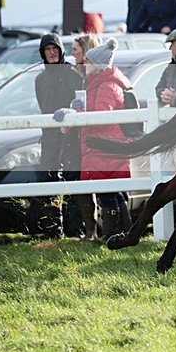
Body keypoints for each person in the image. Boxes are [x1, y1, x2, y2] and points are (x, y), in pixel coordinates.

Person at [54, 38, 133, 239]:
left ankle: (112, 235)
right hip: (104, 145)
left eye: (88, 61)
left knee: (108, 193)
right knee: (113, 192)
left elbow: (100, 117)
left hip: (105, 145)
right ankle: (125, 232)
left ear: (96, 64)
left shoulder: (106, 85)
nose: (85, 64)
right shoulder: (100, 83)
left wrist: (74, 114)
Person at [33, 33, 83, 238]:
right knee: (48, 179)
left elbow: (80, 102)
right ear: (43, 52)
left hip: (71, 135)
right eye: (48, 49)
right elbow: (42, 106)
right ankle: (53, 229)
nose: (52, 52)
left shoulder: (72, 73)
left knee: (71, 179)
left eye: (55, 48)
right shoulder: (40, 79)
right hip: (49, 136)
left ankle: (75, 229)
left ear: (61, 50)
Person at [68, 34, 101, 239]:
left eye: (76, 49)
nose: (72, 53)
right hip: (77, 134)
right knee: (81, 182)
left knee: (101, 182)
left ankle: (97, 229)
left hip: (92, 134)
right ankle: (90, 229)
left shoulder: (92, 74)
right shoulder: (74, 73)